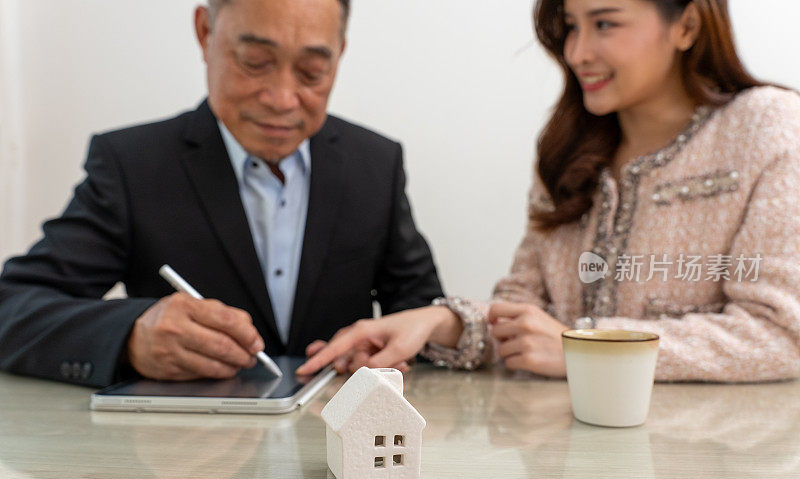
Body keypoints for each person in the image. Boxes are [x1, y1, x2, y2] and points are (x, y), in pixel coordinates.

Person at [298, 0, 800, 382]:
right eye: (571, 26)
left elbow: (781, 335)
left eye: (604, 23)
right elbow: (525, 317)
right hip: (564, 473)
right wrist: (433, 324)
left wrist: (586, 348)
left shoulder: (766, 127)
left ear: (686, 25)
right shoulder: (568, 150)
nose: (577, 52)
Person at [0, 0, 442, 387]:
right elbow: (13, 309)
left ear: (340, 54)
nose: (283, 98)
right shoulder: (133, 165)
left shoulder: (375, 165)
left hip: (337, 453)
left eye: (312, 71)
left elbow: (425, 313)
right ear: (205, 33)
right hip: (184, 463)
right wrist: (131, 336)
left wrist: (390, 348)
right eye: (254, 60)